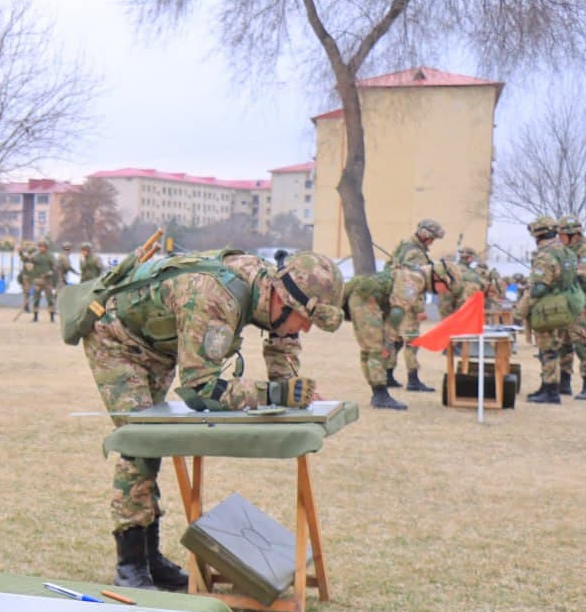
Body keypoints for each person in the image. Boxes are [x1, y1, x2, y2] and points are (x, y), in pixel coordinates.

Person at [80, 249, 344, 590]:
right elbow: (200, 388)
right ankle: (131, 564)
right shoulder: (215, 298)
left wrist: (292, 390)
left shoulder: (274, 291)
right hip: (117, 339)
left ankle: (151, 558)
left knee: (152, 447)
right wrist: (274, 395)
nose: (306, 328)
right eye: (306, 319)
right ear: (282, 299)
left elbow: (284, 346)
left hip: (160, 346)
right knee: (141, 442)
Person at [345, 262, 457, 410]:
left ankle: (378, 392)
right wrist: (390, 339)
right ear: (438, 277)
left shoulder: (414, 275)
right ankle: (380, 395)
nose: (445, 292)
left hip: (364, 298)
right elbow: (398, 311)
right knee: (377, 348)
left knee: (370, 349)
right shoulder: (416, 280)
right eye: (447, 287)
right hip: (367, 301)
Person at [518, 216, 580, 403]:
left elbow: (539, 287)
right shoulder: (567, 252)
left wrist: (522, 309)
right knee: (555, 347)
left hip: (548, 308)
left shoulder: (545, 255)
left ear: (538, 234)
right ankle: (546, 387)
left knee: (548, 350)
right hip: (565, 306)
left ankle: (551, 391)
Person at [387, 218, 445, 391]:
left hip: (394, 300)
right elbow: (415, 283)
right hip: (409, 304)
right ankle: (413, 380)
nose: (433, 242)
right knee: (412, 341)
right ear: (426, 235)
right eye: (432, 238)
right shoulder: (416, 254)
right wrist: (420, 308)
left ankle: (387, 375)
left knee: (396, 340)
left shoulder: (403, 246)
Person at [556, 216, 586, 398]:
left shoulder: (583, 251)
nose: (559, 237)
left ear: (573, 235)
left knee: (582, 344)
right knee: (563, 344)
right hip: (565, 304)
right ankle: (564, 383)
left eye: (562, 234)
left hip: (581, 305)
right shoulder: (565, 251)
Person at [28, 240, 57, 322]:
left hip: (48, 281)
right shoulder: (35, 255)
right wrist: (21, 254)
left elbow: (55, 267)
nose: (41, 248)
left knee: (50, 299)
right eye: (40, 246)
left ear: (46, 248)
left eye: (43, 247)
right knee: (36, 299)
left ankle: (52, 316)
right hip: (38, 281)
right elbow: (28, 260)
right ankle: (35, 316)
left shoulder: (50, 256)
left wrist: (50, 273)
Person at [17, 241, 37, 313]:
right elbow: (22, 256)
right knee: (27, 292)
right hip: (26, 278)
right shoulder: (26, 258)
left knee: (34, 292)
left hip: (34, 277)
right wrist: (20, 252)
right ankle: (26, 306)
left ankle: (33, 307)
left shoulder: (36, 258)